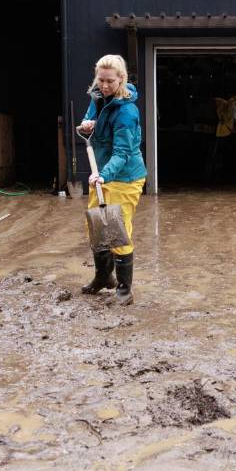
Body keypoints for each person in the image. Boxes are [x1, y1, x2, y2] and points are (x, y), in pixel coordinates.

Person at [77, 55, 147, 305]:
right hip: (102, 173)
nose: (104, 85)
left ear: (121, 79)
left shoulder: (127, 111)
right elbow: (92, 120)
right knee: (96, 226)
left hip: (125, 177)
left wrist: (104, 174)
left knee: (117, 230)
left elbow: (123, 152)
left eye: (109, 81)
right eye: (101, 79)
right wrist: (88, 124)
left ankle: (125, 290)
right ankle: (104, 277)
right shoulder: (97, 96)